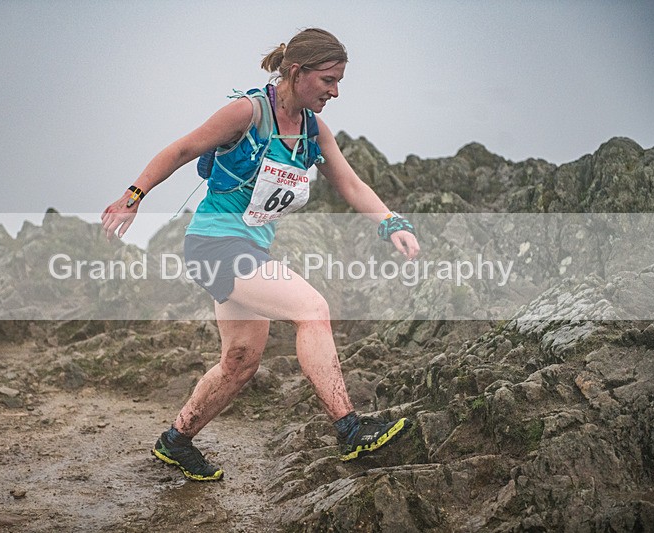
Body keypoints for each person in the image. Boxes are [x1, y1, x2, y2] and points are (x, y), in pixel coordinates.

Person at [101, 28, 420, 482]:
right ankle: (350, 430)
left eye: (339, 81)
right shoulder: (248, 112)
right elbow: (182, 149)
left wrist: (391, 222)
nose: (335, 92)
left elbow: (350, 183)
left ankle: (175, 442)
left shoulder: (313, 130)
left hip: (249, 248)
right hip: (213, 246)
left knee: (240, 361)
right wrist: (133, 195)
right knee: (312, 310)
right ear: (297, 72)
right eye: (328, 80)